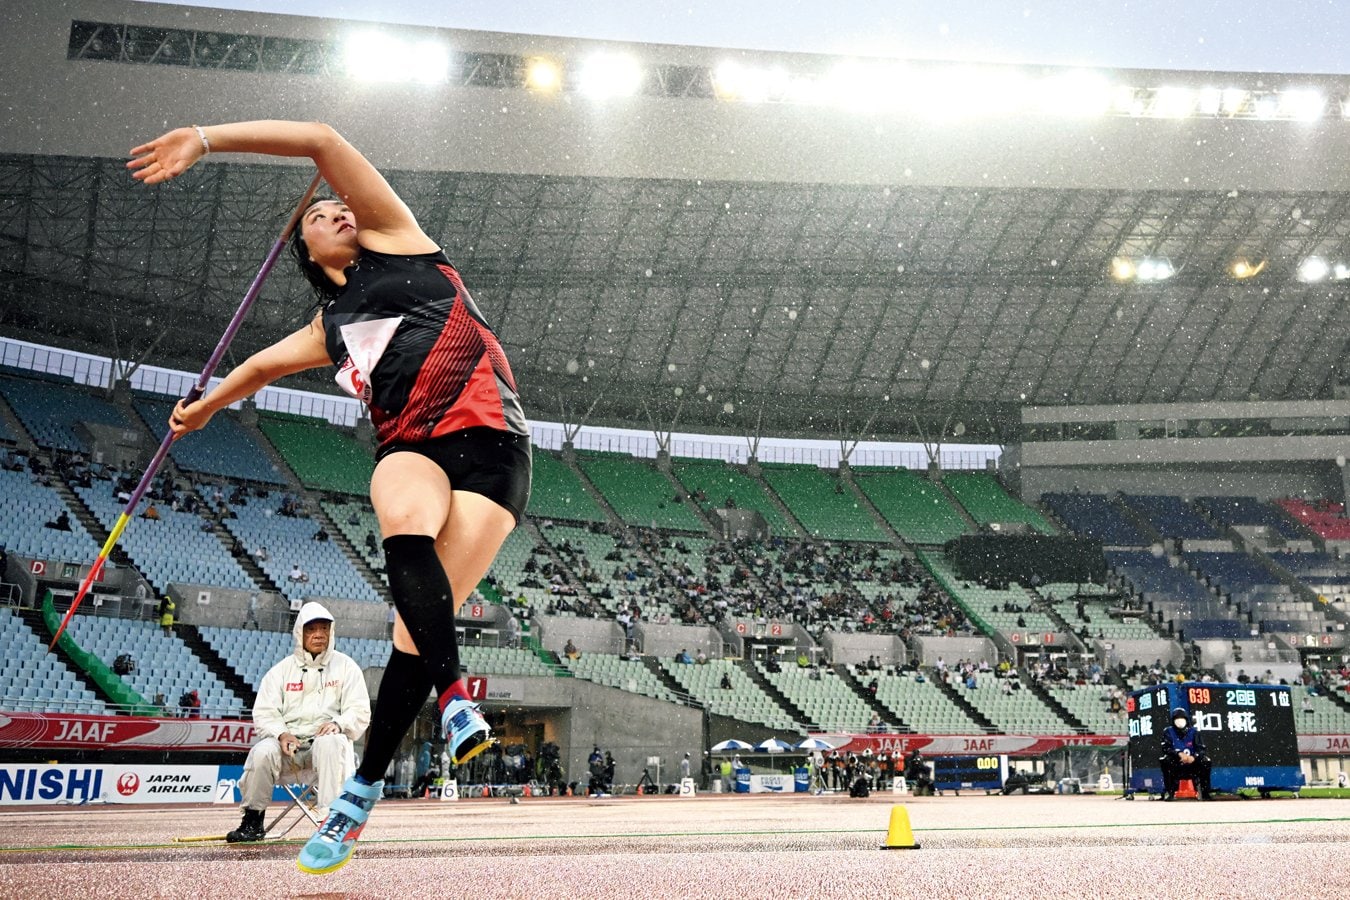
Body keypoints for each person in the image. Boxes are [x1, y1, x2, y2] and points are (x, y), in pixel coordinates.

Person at [136, 118, 531, 875]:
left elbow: (321, 139)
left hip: (496, 449)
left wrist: (205, 137)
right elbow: (255, 368)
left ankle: (361, 791)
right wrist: (209, 407)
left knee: (415, 634)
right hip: (413, 449)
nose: (337, 213)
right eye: (318, 217)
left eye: (336, 207)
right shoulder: (329, 325)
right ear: (308, 255)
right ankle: (454, 697)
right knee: (400, 506)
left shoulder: (401, 240)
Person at [226, 602, 372, 843]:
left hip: (325, 751)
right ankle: (252, 822)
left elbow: (359, 710)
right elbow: (264, 712)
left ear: (331, 632)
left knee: (331, 741)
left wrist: (338, 723)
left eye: (324, 628)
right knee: (262, 751)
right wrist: (281, 733)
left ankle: (332, 822)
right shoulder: (280, 671)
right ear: (299, 634)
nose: (318, 634)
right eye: (311, 629)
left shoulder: (346, 667)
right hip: (289, 750)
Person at [1158, 706, 1212, 801]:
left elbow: (1201, 748)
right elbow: (1166, 748)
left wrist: (1194, 757)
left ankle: (1205, 793)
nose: (1180, 721)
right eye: (1177, 719)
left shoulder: (1194, 732)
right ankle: (1169, 792)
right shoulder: (1168, 732)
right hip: (1176, 763)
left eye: (1182, 719)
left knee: (1206, 761)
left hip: (1193, 764)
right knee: (1165, 761)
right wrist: (1178, 754)